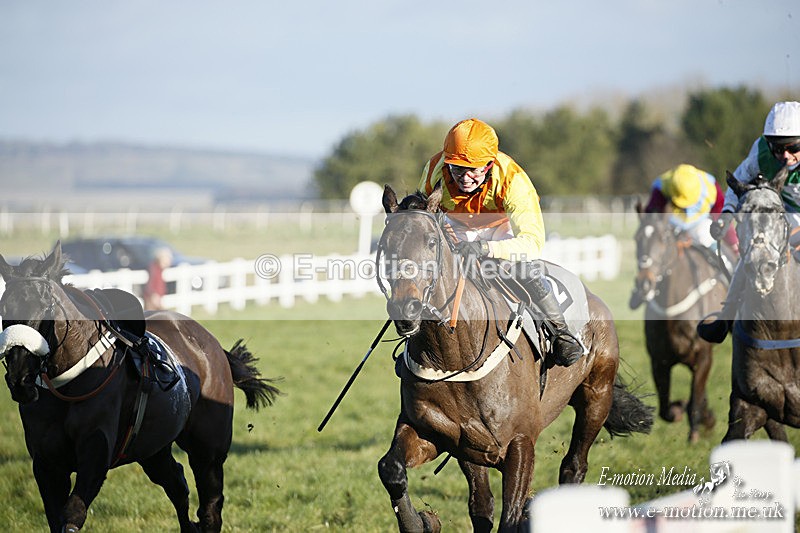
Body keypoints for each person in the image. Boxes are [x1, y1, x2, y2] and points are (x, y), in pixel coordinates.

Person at [417, 117, 584, 366]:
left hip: (499, 230)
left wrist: (487, 248)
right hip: (455, 227)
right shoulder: (435, 169)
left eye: (474, 170)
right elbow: (423, 218)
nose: (465, 178)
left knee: (521, 267)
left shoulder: (513, 180)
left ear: (489, 165)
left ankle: (561, 333)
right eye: (458, 169)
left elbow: (532, 243)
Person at [698, 101, 800, 343]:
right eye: (777, 148)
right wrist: (727, 215)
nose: (785, 156)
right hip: (781, 211)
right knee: (754, 251)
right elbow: (738, 184)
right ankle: (726, 316)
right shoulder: (760, 151)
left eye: (793, 147)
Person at [644, 163, 738, 263]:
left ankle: (723, 265)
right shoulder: (662, 185)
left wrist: (732, 242)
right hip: (673, 224)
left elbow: (722, 217)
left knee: (704, 236)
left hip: (700, 223)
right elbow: (652, 217)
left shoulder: (711, 186)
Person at [143, 247, 172, 311]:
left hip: (156, 298)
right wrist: (153, 295)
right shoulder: (154, 269)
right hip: (152, 299)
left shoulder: (159, 270)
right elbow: (150, 284)